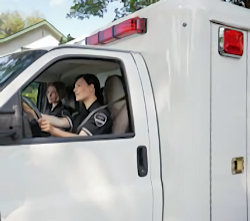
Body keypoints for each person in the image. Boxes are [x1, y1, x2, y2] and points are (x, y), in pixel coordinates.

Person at [38, 74, 112, 137]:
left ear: (91, 88)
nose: (74, 90)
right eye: (75, 86)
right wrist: (35, 114)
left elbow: (81, 139)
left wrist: (52, 130)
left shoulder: (100, 115)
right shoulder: (81, 114)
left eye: (78, 86)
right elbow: (60, 121)